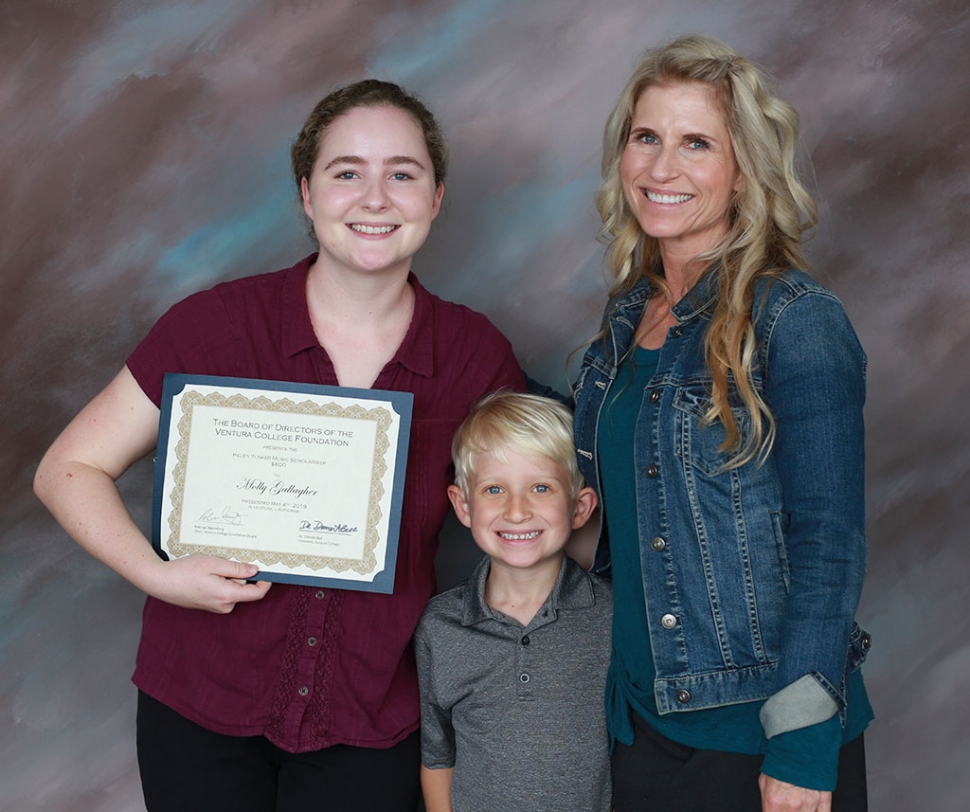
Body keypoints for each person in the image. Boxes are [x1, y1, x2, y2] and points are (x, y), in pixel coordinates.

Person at [33, 79, 525, 812]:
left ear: (437, 196)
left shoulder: (474, 354)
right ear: (306, 192)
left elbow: (535, 504)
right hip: (199, 706)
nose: (375, 197)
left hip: (371, 719)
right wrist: (159, 575)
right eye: (346, 172)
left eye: (402, 173)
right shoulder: (214, 327)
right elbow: (68, 468)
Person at [571, 35, 874, 812]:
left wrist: (804, 746)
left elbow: (828, 542)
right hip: (642, 724)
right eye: (647, 138)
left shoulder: (795, 322)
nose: (660, 168)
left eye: (696, 143)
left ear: (744, 173)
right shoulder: (628, 318)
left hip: (758, 736)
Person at [415, 391, 612, 812]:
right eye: (494, 489)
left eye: (540, 487)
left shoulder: (613, 615)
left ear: (579, 507)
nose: (517, 511)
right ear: (463, 505)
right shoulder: (440, 624)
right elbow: (437, 754)